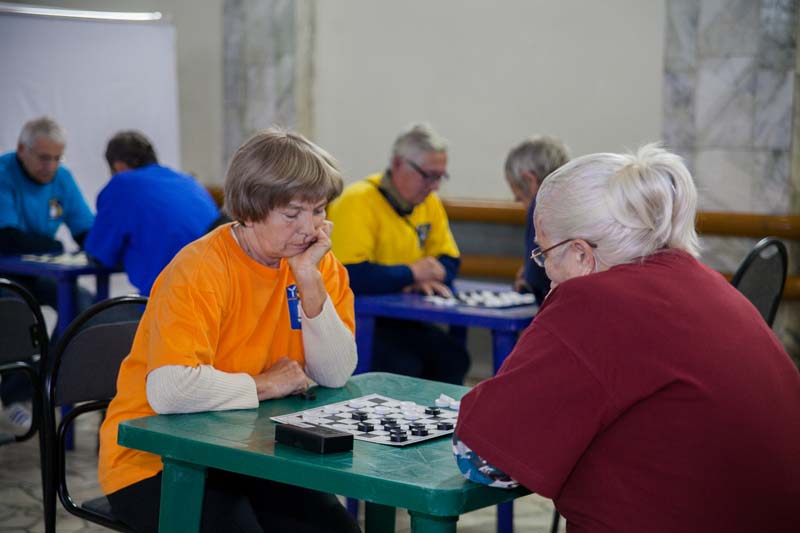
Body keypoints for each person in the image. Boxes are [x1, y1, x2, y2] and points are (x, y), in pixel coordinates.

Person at [454, 145, 800, 532]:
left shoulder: (594, 300)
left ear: (581, 254)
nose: (544, 269)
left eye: (543, 252)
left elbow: (484, 458)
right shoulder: (703, 281)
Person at [98, 129, 360, 533]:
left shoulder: (316, 263)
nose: (310, 228)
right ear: (252, 211)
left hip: (252, 450)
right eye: (292, 214)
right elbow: (169, 390)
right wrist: (264, 385)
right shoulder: (201, 267)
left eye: (319, 210)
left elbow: (334, 374)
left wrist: (310, 283)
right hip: (154, 460)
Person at [328, 123, 469, 384]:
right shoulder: (357, 201)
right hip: (358, 321)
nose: (434, 186)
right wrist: (412, 273)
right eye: (428, 175)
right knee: (404, 365)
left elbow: (449, 262)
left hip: (405, 319)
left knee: (454, 358)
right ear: (397, 163)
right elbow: (350, 275)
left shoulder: (429, 203)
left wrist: (409, 278)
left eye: (440, 177)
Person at [0, 116, 94, 431]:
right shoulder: (3, 173)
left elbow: (85, 230)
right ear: (21, 150)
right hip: (5, 273)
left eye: (56, 158)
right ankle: (15, 395)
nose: (50, 166)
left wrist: (107, 245)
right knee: (16, 311)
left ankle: (45, 384)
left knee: (83, 304)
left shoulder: (62, 178)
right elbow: (8, 239)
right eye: (43, 157)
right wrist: (54, 244)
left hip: (34, 271)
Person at [84, 130, 223, 295]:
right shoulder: (187, 181)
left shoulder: (122, 184)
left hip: (172, 301)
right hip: (218, 291)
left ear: (118, 166)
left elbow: (99, 254)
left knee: (95, 317)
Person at [503, 136, 569, 303]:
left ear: (529, 180)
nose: (524, 207)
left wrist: (527, 278)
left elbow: (536, 277)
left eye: (519, 198)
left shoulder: (542, 206)